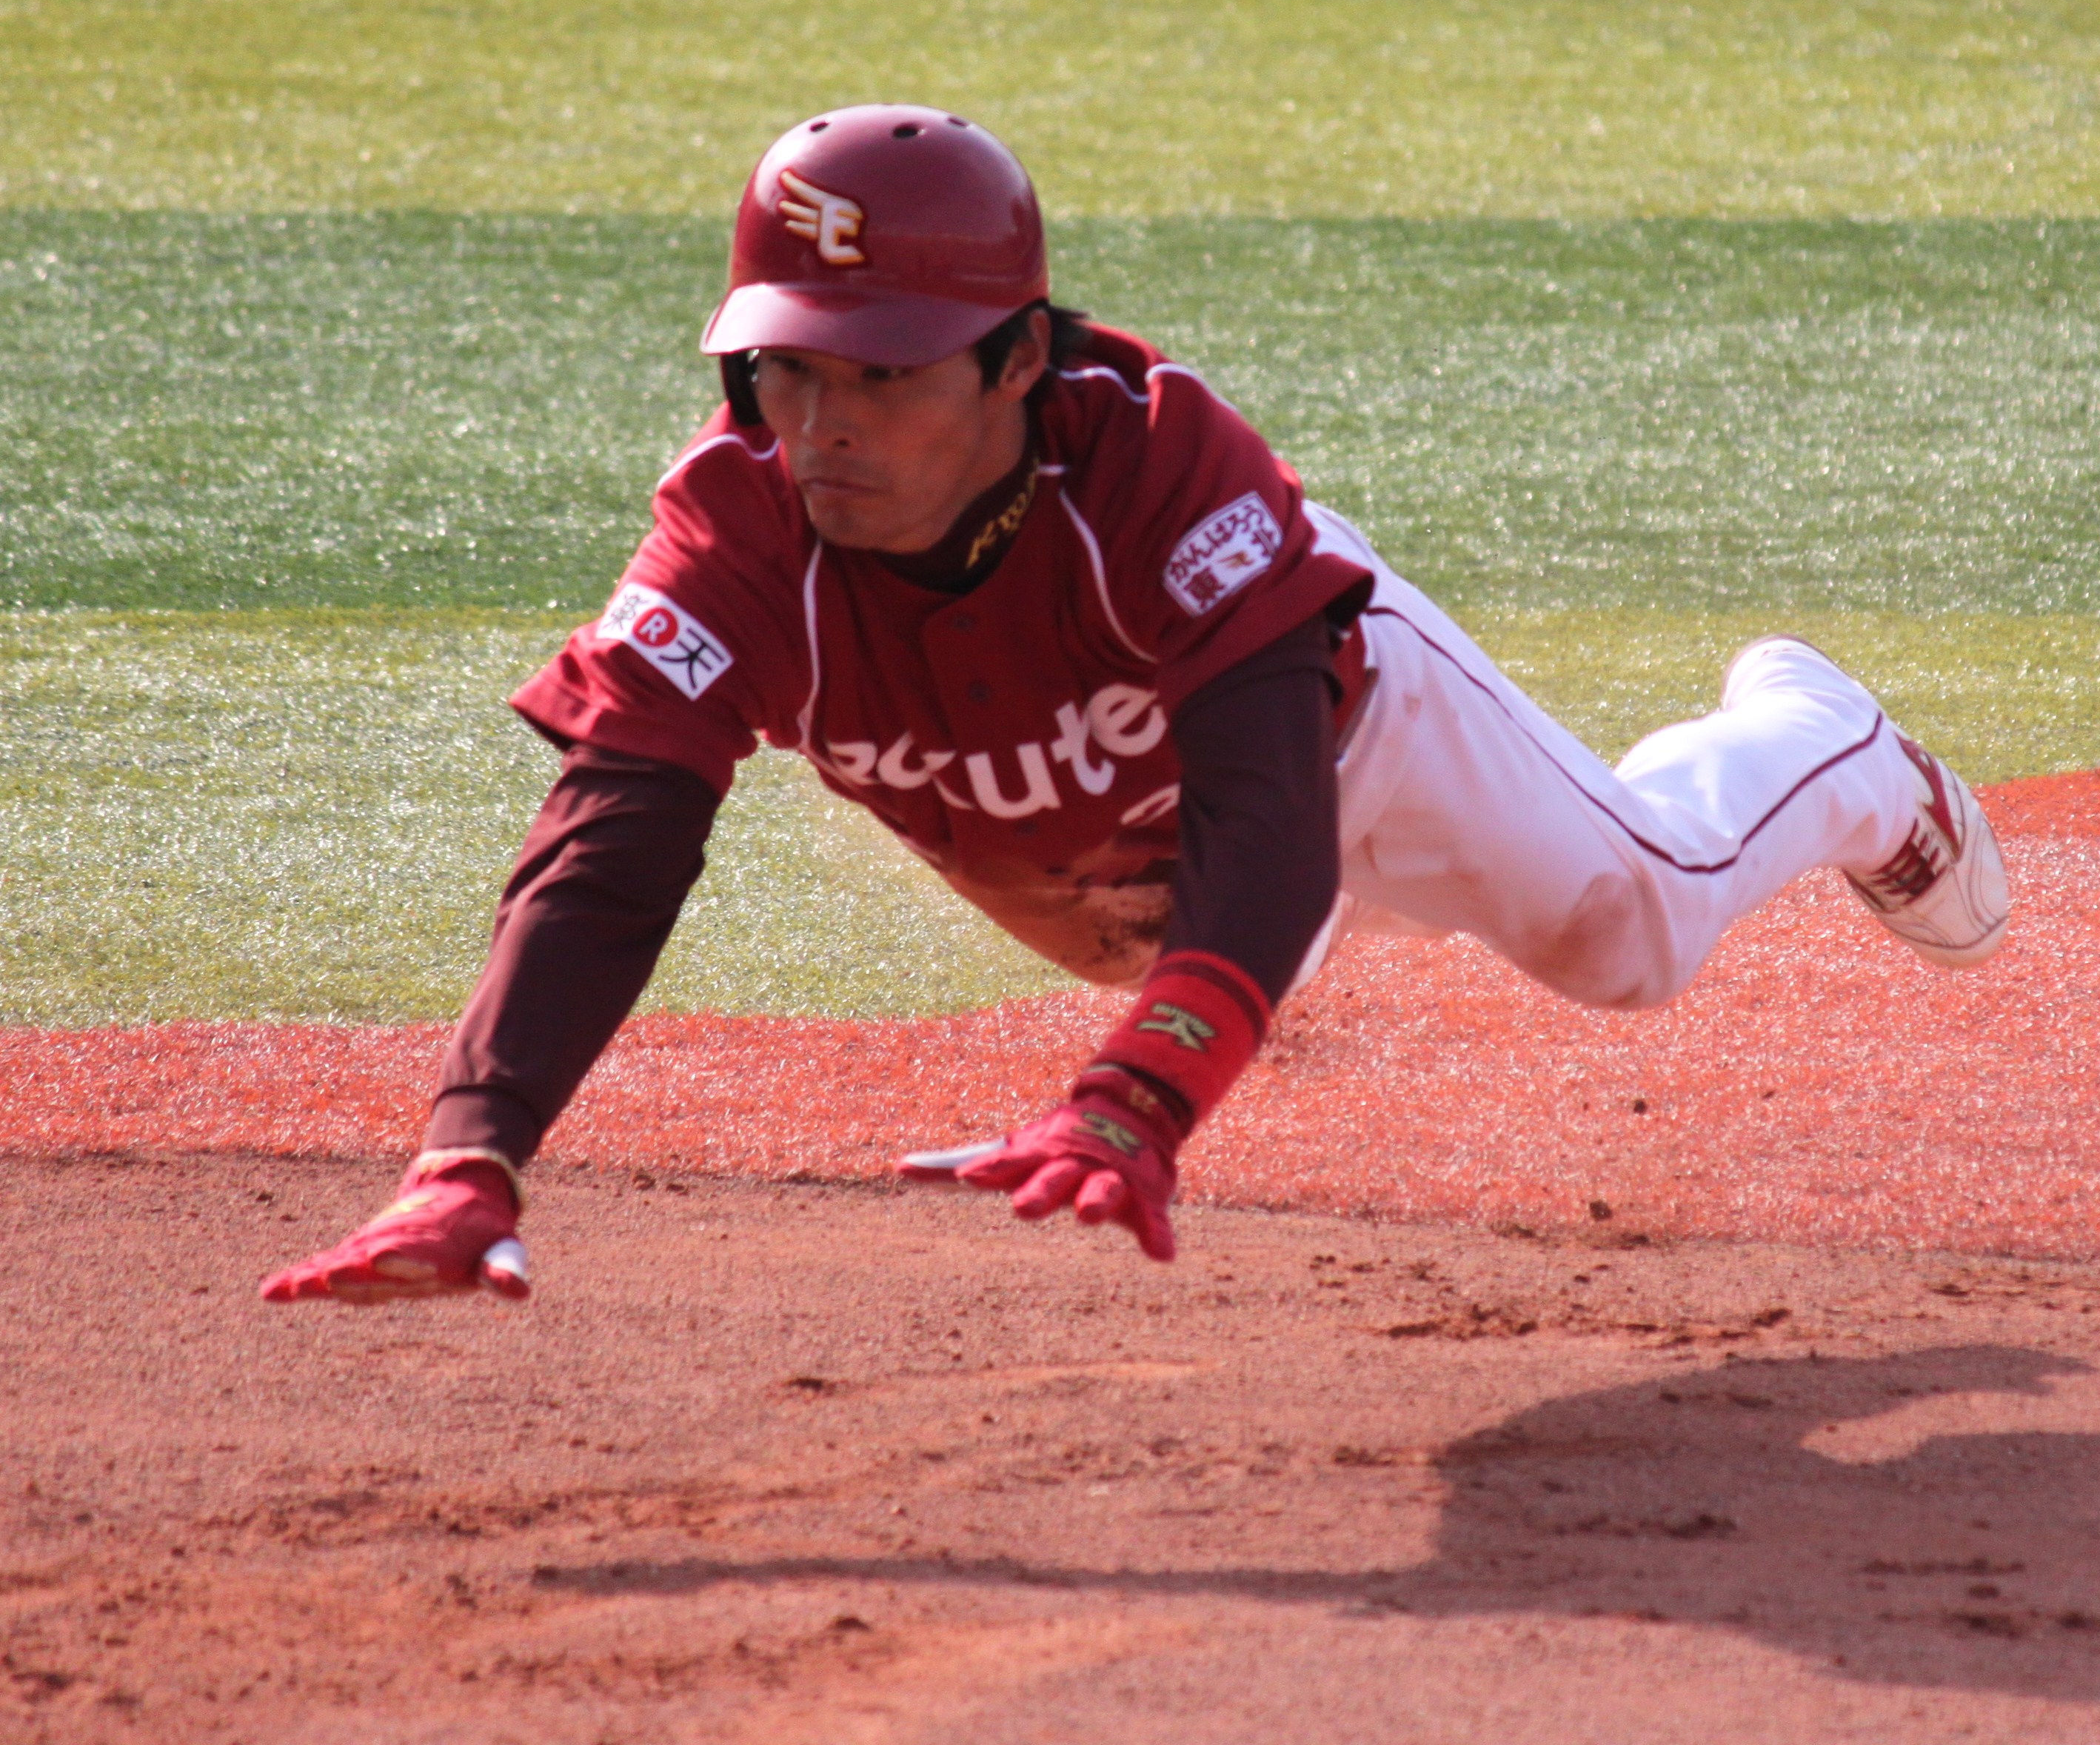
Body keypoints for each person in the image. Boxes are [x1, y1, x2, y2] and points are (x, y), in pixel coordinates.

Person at [261, 104, 2008, 1304]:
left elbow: (1268, 808)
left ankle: (1829, 743)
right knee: (1213, 950)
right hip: (1128, 876)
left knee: (1632, 934)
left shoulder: (1164, 468)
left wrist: (1144, 1098)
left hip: (1345, 729)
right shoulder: (734, 534)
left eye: (880, 374)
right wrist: (466, 1156)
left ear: (1019, 360)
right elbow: (612, 845)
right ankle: (1225, 986)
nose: (823, 426)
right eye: (786, 365)